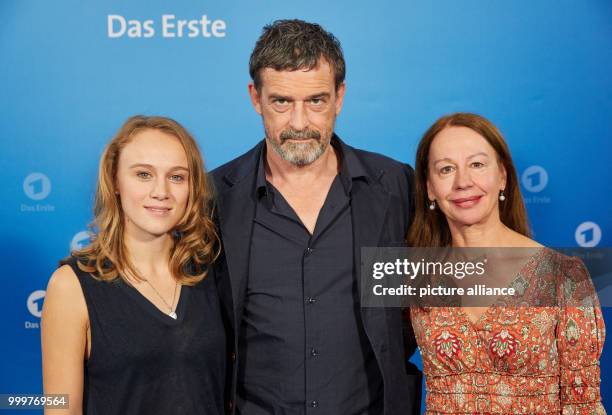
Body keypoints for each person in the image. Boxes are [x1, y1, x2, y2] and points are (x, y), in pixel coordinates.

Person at [211, 19, 421, 415]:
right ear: (255, 98)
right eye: (282, 102)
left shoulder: (394, 185)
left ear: (339, 97)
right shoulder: (215, 196)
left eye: (316, 101)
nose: (299, 123)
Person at [407, 112, 606, 414]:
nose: (463, 182)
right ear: (430, 188)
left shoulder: (563, 276)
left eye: (477, 164)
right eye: (446, 169)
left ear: (502, 176)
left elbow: (584, 404)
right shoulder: (416, 277)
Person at [41, 116, 226, 415]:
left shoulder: (211, 271)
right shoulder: (71, 286)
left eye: (177, 177)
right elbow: (60, 408)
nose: (161, 191)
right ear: (115, 180)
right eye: (143, 174)